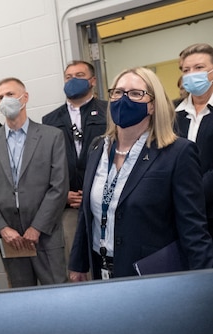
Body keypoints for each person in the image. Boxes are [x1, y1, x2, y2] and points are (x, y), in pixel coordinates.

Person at [69, 67, 213, 280]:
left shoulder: (177, 153)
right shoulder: (98, 148)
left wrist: (205, 280)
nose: (123, 99)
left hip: (152, 275)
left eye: (136, 93)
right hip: (102, 270)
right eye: (118, 92)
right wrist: (78, 263)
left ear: (153, 105)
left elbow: (193, 228)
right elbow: (86, 214)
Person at [0, 77, 68, 287]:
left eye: (10, 95)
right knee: (22, 299)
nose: (5, 100)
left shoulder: (51, 137)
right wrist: (3, 229)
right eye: (0, 97)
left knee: (58, 296)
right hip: (11, 239)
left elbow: (58, 187)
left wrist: (37, 227)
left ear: (24, 98)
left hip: (46, 234)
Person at [42, 61, 108, 265]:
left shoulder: (110, 112)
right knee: (76, 264)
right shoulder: (50, 120)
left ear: (93, 81)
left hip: (103, 201)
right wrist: (63, 195)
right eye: (68, 77)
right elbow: (45, 165)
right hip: (69, 206)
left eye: (79, 75)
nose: (73, 80)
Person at [175, 43, 213, 230]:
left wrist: (189, 196)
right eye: (186, 70)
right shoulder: (173, 114)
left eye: (199, 68)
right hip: (181, 218)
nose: (191, 74)